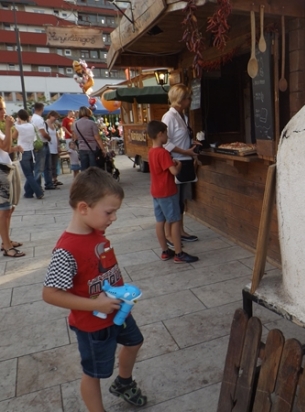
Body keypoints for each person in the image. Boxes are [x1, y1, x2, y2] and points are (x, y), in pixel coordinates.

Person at [42, 167, 147, 411]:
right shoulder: (66, 251)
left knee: (134, 342)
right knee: (94, 373)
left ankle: (124, 383)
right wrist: (96, 305)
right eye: (109, 212)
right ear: (83, 208)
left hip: (118, 313)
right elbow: (50, 294)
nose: (114, 218)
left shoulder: (96, 232)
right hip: (93, 327)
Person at [147, 120, 198, 264]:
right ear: (160, 134)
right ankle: (178, 253)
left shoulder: (151, 152)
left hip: (156, 192)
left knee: (160, 221)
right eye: (166, 134)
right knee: (175, 221)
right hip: (167, 192)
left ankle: (165, 250)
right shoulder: (163, 152)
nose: (167, 137)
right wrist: (179, 165)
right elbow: (174, 172)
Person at [161, 84, 201, 247]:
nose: (190, 101)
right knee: (174, 200)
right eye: (187, 98)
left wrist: (191, 143)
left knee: (182, 200)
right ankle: (169, 234)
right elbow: (165, 143)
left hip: (185, 161)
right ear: (180, 99)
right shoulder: (169, 117)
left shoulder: (182, 116)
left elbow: (179, 138)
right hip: (176, 162)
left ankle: (180, 231)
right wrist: (186, 151)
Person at [0, 98, 25, 257]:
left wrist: (15, 147)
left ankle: (6, 241)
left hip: (5, 168)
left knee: (9, 208)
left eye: (3, 108)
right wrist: (9, 127)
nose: (4, 111)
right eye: (0, 109)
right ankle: (7, 246)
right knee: (4, 210)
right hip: (1, 171)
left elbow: (6, 147)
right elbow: (5, 146)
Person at [12, 109, 44, 199]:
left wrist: (17, 123)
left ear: (19, 117)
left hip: (23, 151)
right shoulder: (32, 125)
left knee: (28, 174)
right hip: (31, 151)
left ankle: (39, 192)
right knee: (31, 173)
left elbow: (13, 137)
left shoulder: (18, 127)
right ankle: (28, 192)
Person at [31, 102, 56, 190]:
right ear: (41, 109)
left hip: (38, 144)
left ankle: (47, 183)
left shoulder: (33, 118)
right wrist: (49, 138)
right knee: (41, 167)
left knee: (44, 166)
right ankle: (39, 186)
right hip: (42, 144)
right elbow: (43, 133)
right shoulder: (38, 119)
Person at [73, 107, 106, 171]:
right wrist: (103, 149)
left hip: (82, 147)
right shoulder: (92, 123)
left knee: (84, 169)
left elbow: (75, 137)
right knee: (93, 168)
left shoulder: (75, 124)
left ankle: (85, 177)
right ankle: (93, 177)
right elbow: (97, 138)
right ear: (88, 112)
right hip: (92, 147)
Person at [45, 111, 62, 186]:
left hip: (54, 146)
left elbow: (56, 135)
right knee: (50, 164)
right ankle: (50, 180)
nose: (55, 118)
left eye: (56, 117)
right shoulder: (45, 124)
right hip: (49, 146)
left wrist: (58, 145)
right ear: (50, 116)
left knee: (55, 163)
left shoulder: (53, 124)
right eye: (54, 117)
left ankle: (55, 179)